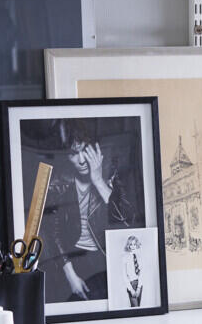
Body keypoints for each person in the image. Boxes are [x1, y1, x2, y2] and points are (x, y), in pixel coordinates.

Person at [40, 119, 137, 303]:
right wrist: (70, 275)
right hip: (74, 259)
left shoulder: (112, 174)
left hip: (107, 257)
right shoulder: (58, 185)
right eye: (73, 154)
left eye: (85, 149)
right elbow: (53, 235)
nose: (82, 160)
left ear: (94, 147)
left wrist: (98, 180)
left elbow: (126, 221)